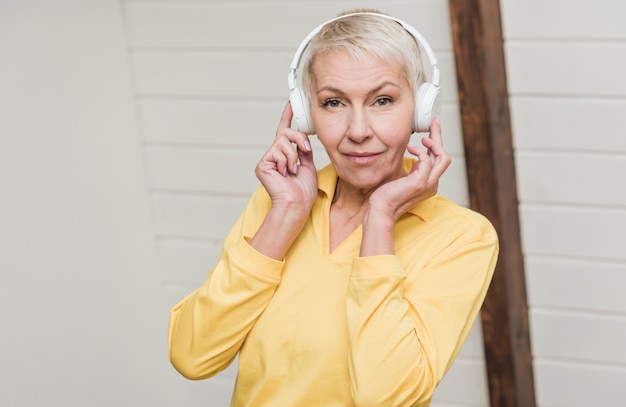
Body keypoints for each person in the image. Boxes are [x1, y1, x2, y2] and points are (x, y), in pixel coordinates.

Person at [168, 9, 498, 407]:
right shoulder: (278, 202)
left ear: (422, 110)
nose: (358, 131)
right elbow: (193, 356)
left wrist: (381, 217)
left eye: (383, 100)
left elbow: (388, 398)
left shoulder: (463, 236)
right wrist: (285, 214)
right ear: (306, 115)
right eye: (334, 103)